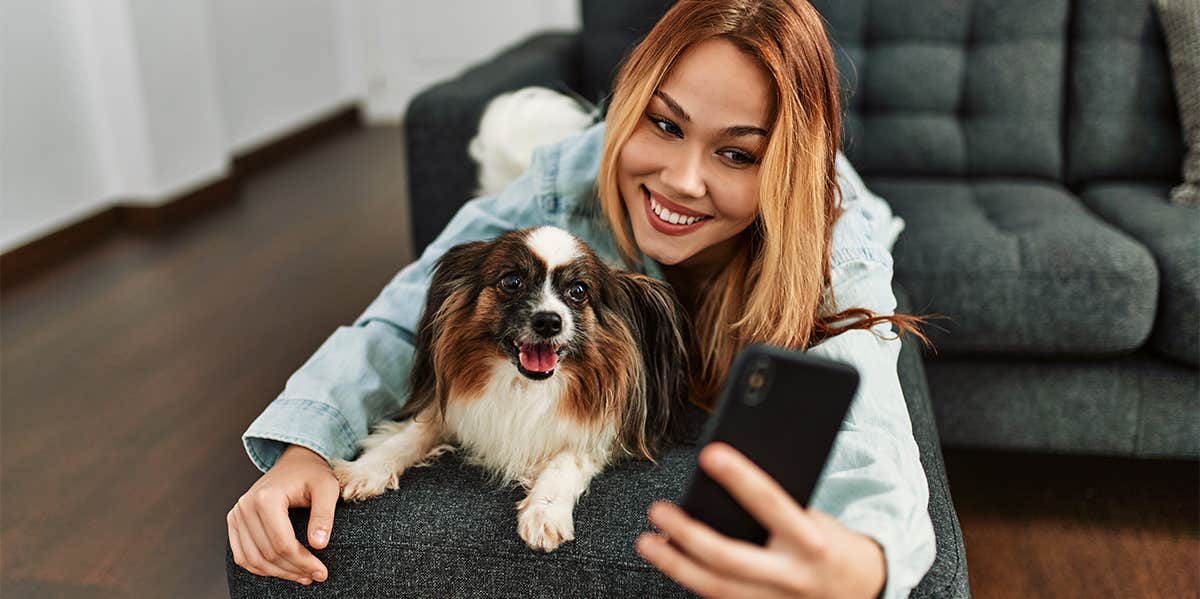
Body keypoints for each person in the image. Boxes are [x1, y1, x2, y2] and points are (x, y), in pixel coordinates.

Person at [226, 1, 937, 597]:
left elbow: (873, 421)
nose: (683, 180)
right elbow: (403, 309)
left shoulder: (836, 246)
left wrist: (864, 562)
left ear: (782, 166)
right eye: (664, 123)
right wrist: (305, 445)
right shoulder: (568, 174)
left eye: (737, 152)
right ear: (628, 108)